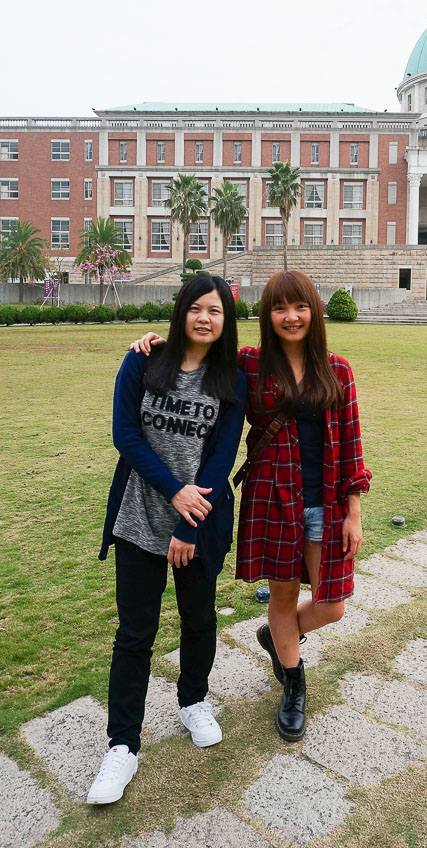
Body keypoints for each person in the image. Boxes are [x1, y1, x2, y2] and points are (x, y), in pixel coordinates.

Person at [131, 270, 371, 743]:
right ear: (267, 315)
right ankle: (293, 680)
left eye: (299, 307)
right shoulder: (250, 364)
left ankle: (276, 638)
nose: (290, 316)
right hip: (273, 499)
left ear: (314, 312)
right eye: (279, 308)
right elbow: (204, 356)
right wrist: (157, 343)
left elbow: (351, 444)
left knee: (333, 604)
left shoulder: (338, 370)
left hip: (324, 502)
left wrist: (353, 510)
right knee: (281, 598)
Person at [87, 275, 246, 805]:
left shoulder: (231, 377)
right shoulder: (143, 361)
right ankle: (122, 746)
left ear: (226, 320)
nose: (205, 318)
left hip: (197, 524)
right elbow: (124, 435)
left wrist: (188, 520)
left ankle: (193, 700)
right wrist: (173, 493)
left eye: (215, 311)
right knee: (135, 634)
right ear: (179, 313)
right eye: (196, 308)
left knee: (199, 620)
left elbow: (223, 455)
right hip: (139, 519)